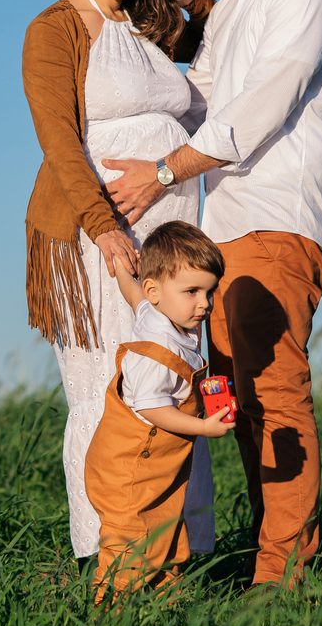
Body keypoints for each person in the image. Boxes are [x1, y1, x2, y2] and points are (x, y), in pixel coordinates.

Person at [104, 0, 322, 586]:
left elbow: (258, 109)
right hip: (227, 223)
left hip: (281, 215)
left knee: (273, 391)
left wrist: (161, 174)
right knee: (233, 398)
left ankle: (283, 578)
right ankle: (262, 560)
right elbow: (203, 98)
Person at [21, 0, 217, 565]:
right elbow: (59, 141)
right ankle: (101, 557)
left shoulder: (148, 25)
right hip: (95, 231)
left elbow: (220, 39)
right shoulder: (55, 29)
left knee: (173, 379)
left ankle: (183, 554)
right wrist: (105, 227)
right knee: (106, 385)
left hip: (167, 226)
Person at [85, 220, 235, 599]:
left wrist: (122, 265)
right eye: (192, 291)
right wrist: (205, 428)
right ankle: (110, 611)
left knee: (164, 534)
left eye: (210, 291)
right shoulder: (157, 350)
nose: (204, 303)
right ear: (157, 290)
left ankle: (162, 604)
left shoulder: (155, 313)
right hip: (130, 470)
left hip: (155, 469)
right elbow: (153, 409)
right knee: (129, 548)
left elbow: (133, 292)